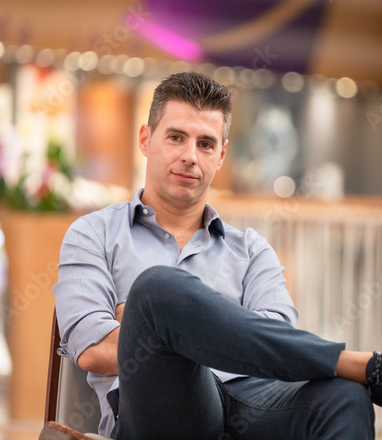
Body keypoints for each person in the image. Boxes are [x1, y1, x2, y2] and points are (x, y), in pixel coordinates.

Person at [54, 71, 382, 440]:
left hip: (253, 400)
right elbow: (95, 351)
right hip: (160, 406)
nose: (190, 156)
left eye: (206, 144)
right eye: (176, 137)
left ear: (222, 154)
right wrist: (177, 318)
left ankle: (351, 374)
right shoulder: (93, 234)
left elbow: (277, 342)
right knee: (158, 288)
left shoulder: (252, 250)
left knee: (346, 396)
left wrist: (156, 326)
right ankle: (356, 362)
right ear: (146, 139)